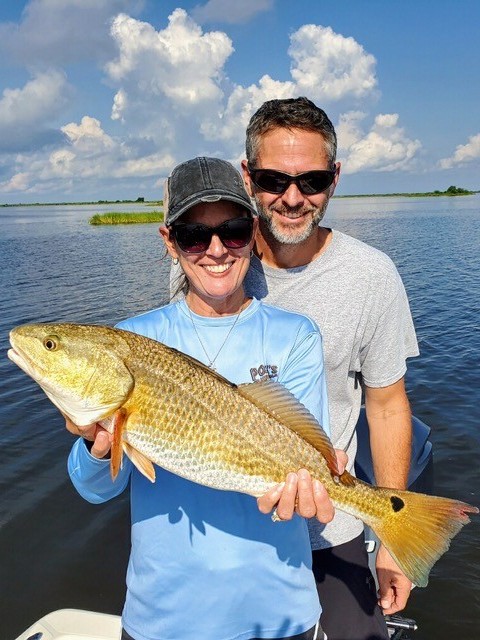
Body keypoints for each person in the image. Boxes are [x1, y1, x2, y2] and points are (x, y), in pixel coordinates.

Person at [66, 156, 341, 640]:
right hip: (163, 618)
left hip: (279, 612)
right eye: (194, 235)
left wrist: (309, 489)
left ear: (254, 231)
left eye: (233, 230)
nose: (215, 250)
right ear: (170, 242)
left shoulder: (295, 336)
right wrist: (97, 445)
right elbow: (95, 490)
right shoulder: (132, 339)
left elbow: (306, 463)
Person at [240, 97, 419, 640]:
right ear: (248, 177)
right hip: (233, 524)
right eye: (274, 178)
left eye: (312, 180)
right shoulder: (211, 261)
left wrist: (392, 537)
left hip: (332, 521)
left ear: (334, 178)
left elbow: (386, 406)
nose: (293, 198)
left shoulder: (371, 275)